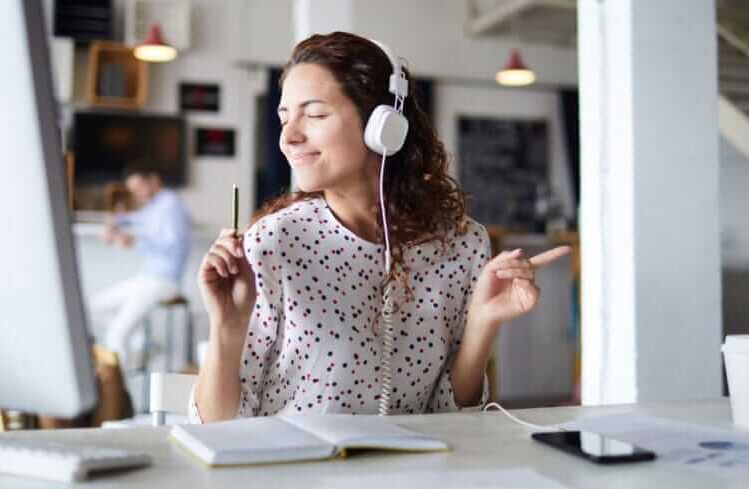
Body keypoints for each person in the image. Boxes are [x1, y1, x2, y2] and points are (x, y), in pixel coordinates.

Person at [193, 32, 569, 422]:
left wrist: (482, 324)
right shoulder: (274, 242)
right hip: (292, 475)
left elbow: (451, 417)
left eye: (316, 114)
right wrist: (225, 328)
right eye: (284, 117)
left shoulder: (463, 245)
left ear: (383, 126)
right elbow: (219, 428)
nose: (288, 137)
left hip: (411, 476)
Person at [88, 161, 192, 366]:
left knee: (117, 334)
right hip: (148, 279)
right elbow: (134, 219)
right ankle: (142, 343)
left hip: (164, 282)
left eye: (139, 188)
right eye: (133, 190)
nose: (137, 194)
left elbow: (172, 247)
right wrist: (116, 223)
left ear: (154, 181)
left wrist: (134, 241)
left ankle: (120, 394)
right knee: (92, 307)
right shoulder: (155, 206)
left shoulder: (171, 205)